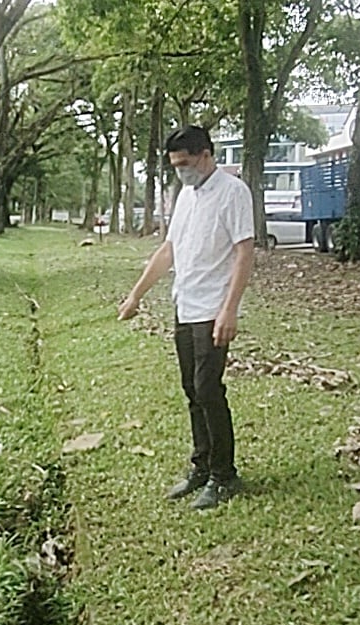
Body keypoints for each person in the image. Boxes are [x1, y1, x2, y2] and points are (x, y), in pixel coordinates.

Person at [118, 125, 254, 510]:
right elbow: (168, 251)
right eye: (175, 165)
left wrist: (230, 309)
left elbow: (245, 253)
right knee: (192, 390)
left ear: (206, 155)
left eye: (185, 163)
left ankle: (224, 476)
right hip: (186, 304)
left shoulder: (233, 193)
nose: (180, 170)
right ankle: (202, 466)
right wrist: (135, 297)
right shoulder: (186, 196)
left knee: (209, 388)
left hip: (214, 309)